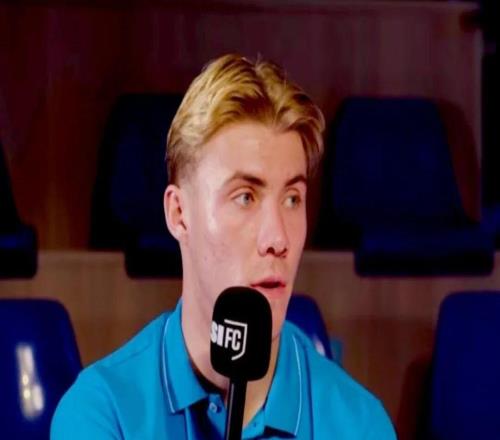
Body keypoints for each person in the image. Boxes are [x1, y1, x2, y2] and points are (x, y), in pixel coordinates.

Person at [51, 54, 396, 439]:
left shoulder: (359, 424)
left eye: (292, 199)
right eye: (245, 197)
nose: (277, 239)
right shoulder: (102, 414)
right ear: (179, 214)